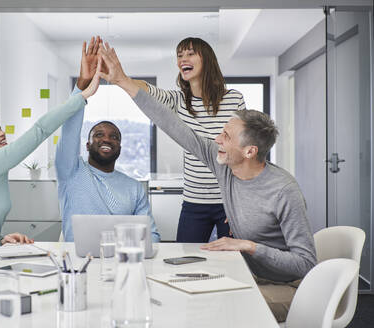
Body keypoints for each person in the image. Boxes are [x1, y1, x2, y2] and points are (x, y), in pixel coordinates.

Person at [97, 44, 316, 322]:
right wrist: (122, 82)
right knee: (180, 294)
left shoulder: (284, 190)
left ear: (250, 151)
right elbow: (173, 126)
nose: (216, 139)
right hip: (250, 275)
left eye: (225, 135)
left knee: (216, 308)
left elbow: (306, 264)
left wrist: (248, 245)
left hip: (287, 286)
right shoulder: (225, 168)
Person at [0, 62, 102, 286]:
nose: (2, 133)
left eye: (0, 127)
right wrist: (82, 96)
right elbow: (39, 130)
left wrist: (1, 241)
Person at [131, 37, 246, 243]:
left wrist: (238, 201)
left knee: (233, 261)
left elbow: (242, 149)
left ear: (207, 59)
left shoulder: (234, 99)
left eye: (190, 53)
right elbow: (145, 90)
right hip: (194, 201)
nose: (183, 59)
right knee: (184, 261)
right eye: (180, 55)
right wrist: (120, 78)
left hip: (228, 200)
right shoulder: (178, 100)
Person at [55, 36, 160, 242]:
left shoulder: (133, 187)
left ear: (119, 146)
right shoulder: (71, 172)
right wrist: (82, 87)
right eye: (99, 135)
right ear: (87, 144)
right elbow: (68, 133)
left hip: (122, 261)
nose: (107, 139)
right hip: (79, 263)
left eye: (114, 137)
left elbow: (153, 236)